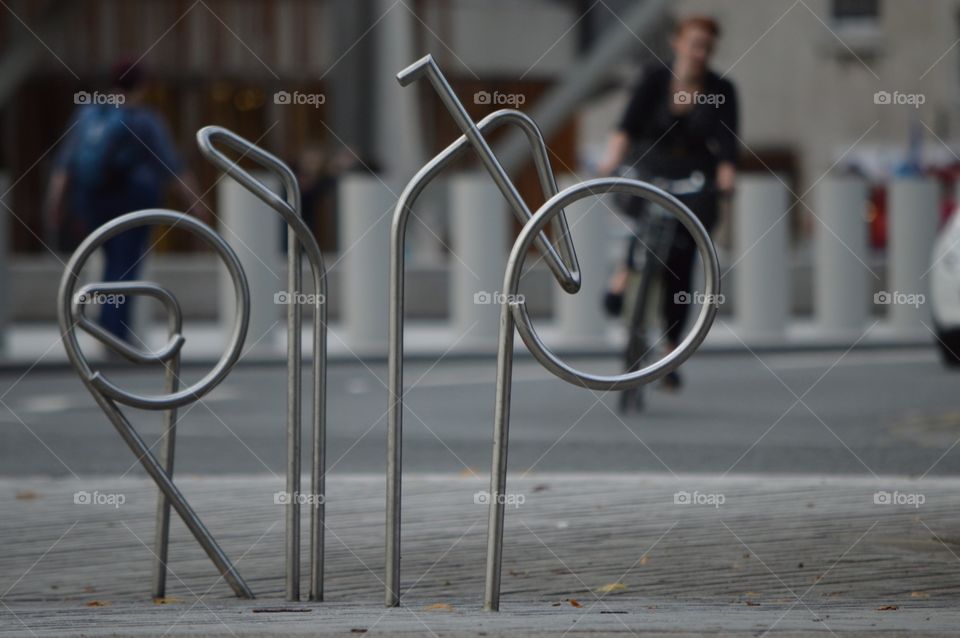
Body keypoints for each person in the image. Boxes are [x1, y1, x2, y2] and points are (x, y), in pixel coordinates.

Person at [597, 14, 739, 391]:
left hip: (694, 178)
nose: (699, 53)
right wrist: (609, 163)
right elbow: (625, 127)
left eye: (706, 47)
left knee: (681, 266)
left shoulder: (721, 89)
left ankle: (671, 353)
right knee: (644, 223)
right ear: (678, 42)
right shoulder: (654, 79)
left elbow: (727, 145)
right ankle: (624, 275)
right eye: (694, 44)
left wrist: (726, 176)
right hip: (652, 169)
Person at [46, 60, 207, 343]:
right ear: (142, 86)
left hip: (93, 203)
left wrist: (55, 203)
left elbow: (65, 166)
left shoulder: (87, 114)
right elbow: (171, 168)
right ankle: (114, 332)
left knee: (111, 263)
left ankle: (108, 326)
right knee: (126, 266)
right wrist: (196, 203)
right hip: (133, 205)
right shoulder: (144, 120)